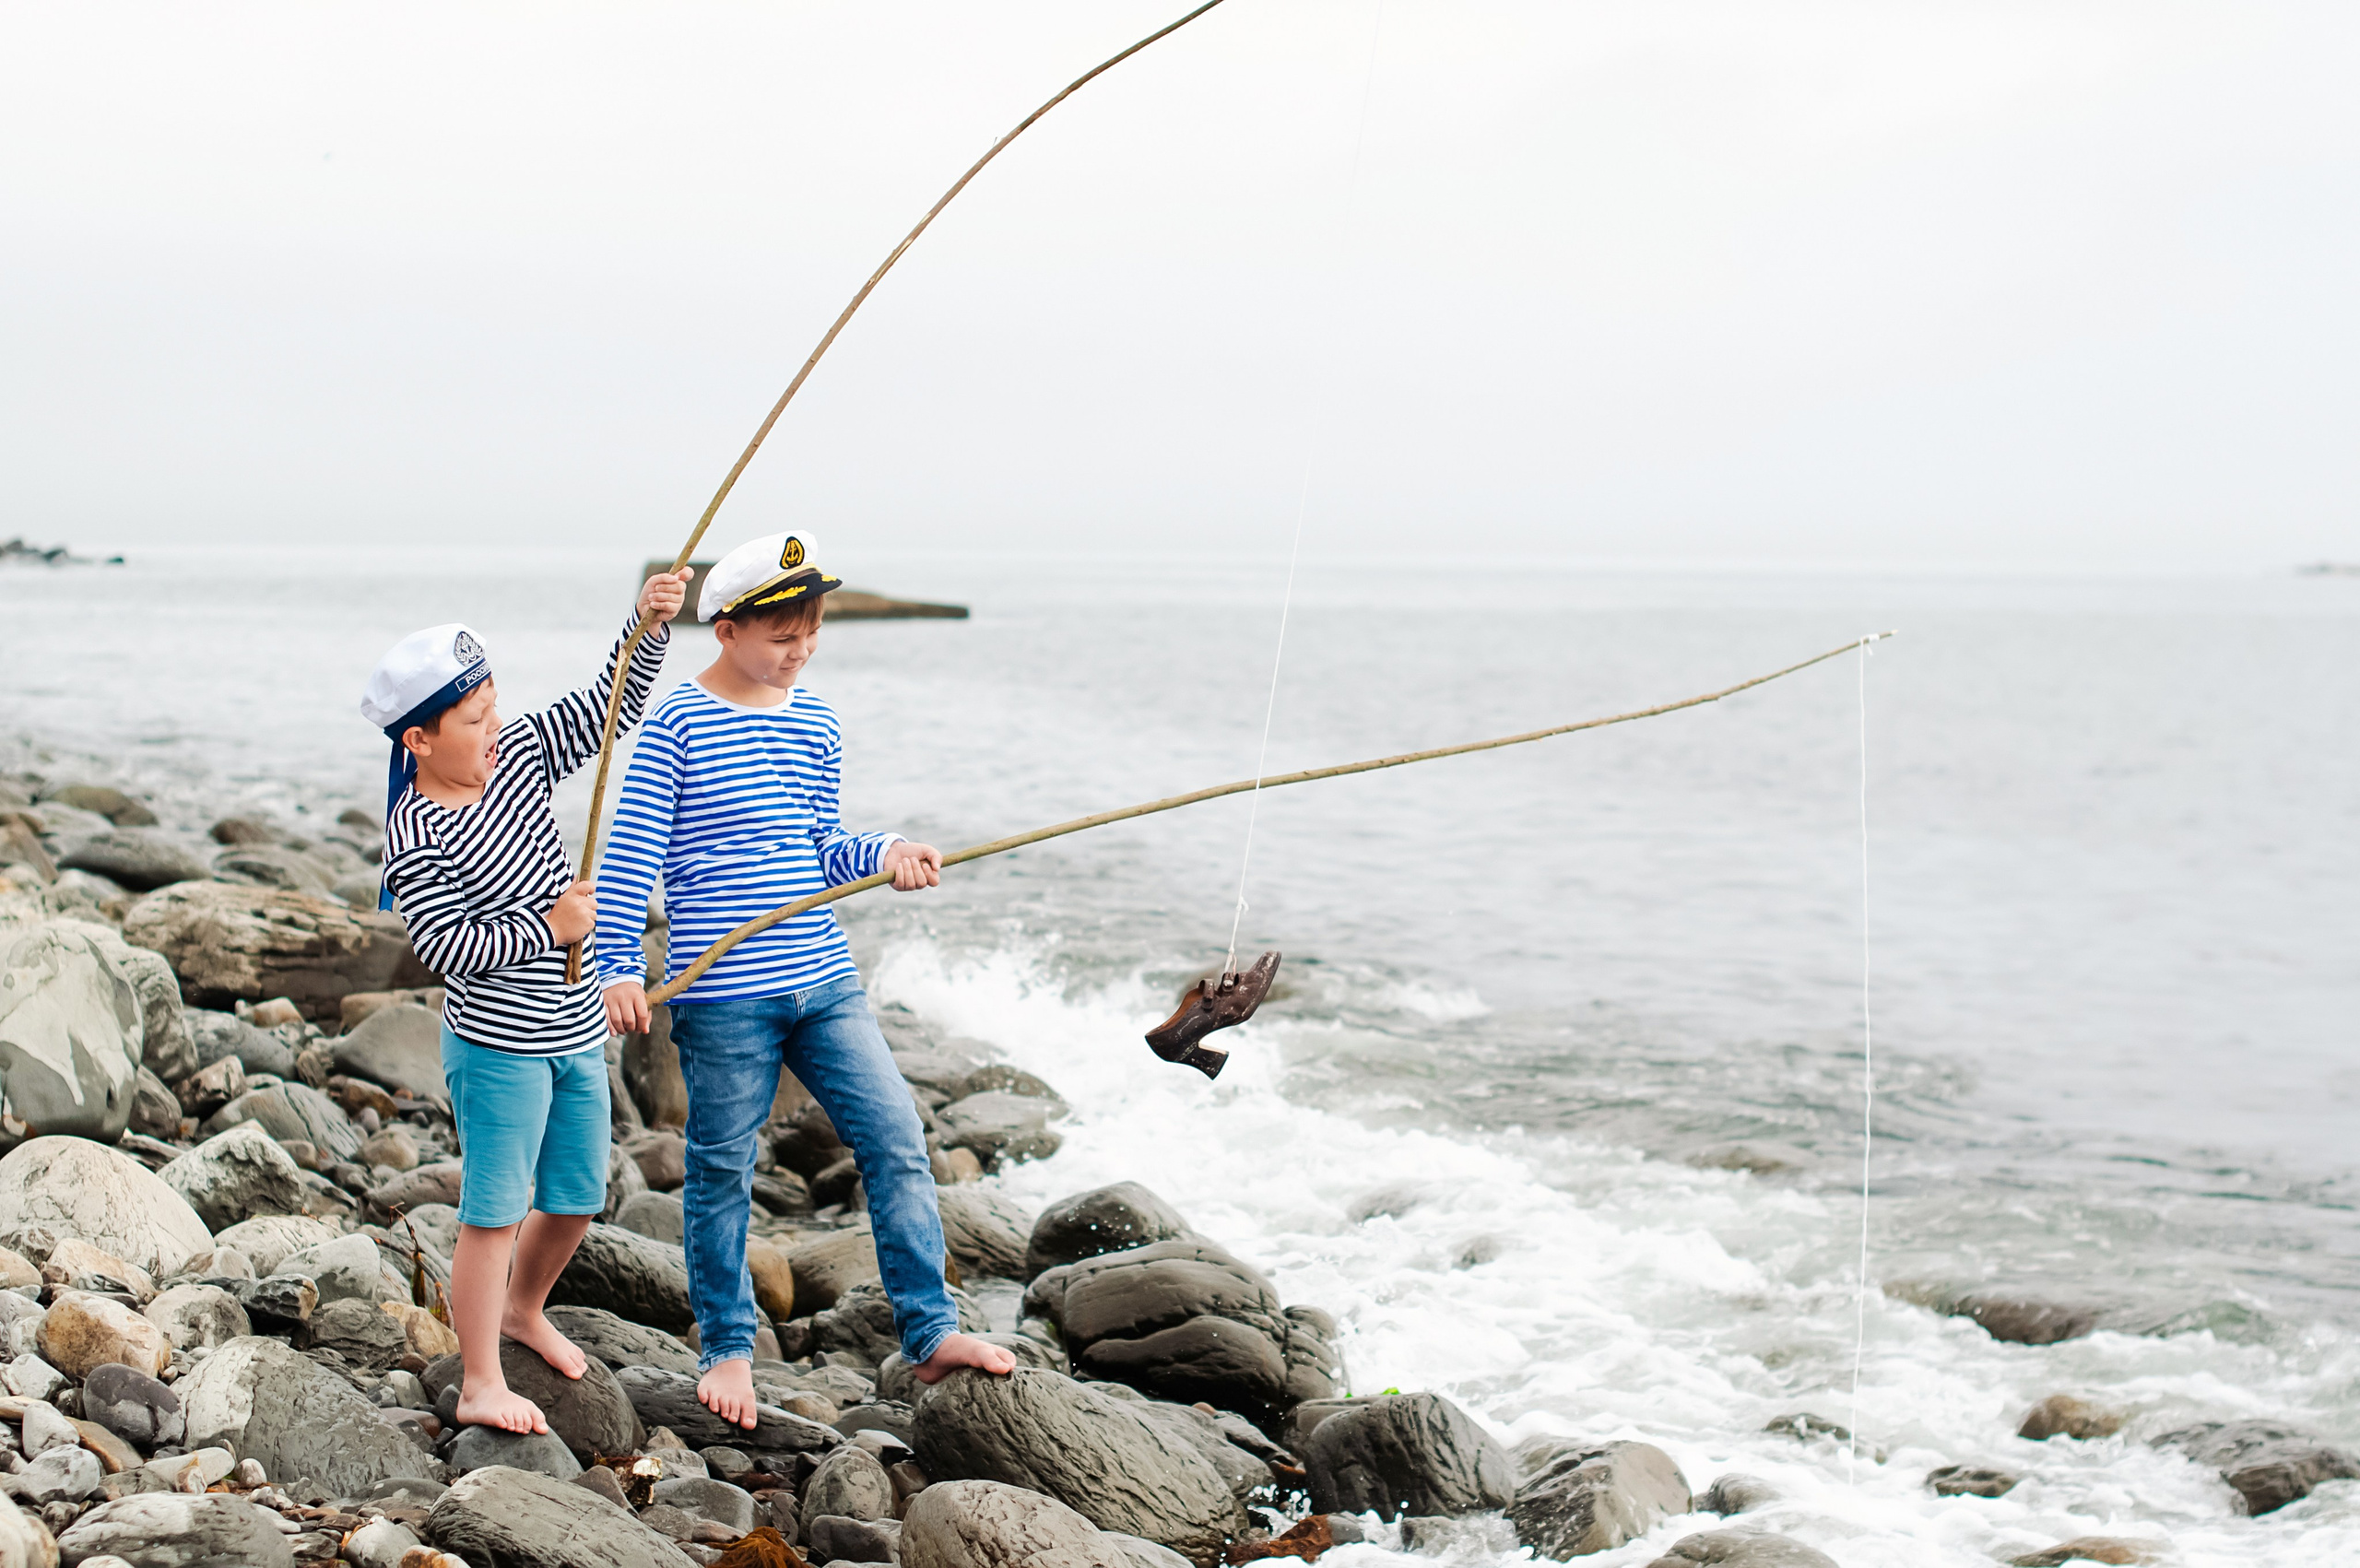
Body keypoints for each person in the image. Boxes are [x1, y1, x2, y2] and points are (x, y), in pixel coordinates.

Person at [594, 530, 1015, 1429]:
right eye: (782, 633)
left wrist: (890, 852)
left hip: (824, 981)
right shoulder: (676, 724)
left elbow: (822, 845)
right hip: (724, 999)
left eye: (812, 628)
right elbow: (629, 864)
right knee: (719, 1171)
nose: (800, 647)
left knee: (898, 1139)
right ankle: (727, 1349)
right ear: (726, 628)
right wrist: (618, 971)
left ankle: (929, 1329)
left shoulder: (814, 719)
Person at [361, 568, 689, 1434]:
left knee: (577, 1194)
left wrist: (647, 626)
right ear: (420, 741)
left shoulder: (518, 759)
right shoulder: (418, 832)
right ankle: (478, 1378)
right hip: (498, 1047)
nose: (495, 728)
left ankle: (521, 1308)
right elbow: (445, 950)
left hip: (576, 1029)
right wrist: (549, 925)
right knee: (493, 1214)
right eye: (474, 721)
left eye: (494, 706)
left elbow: (606, 707)